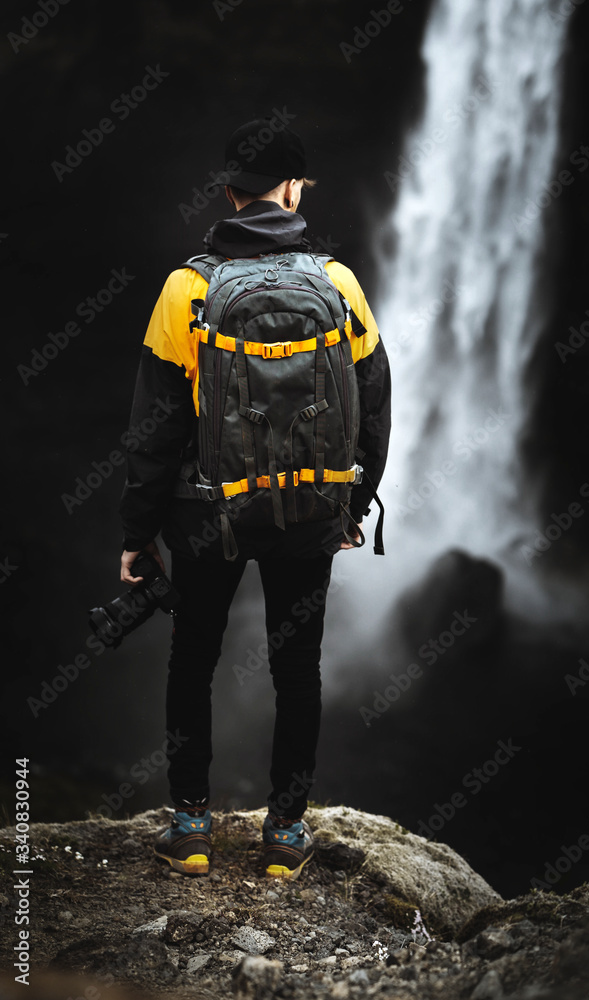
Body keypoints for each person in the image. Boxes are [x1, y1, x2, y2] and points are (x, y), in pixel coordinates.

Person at [118, 115, 391, 880]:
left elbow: (157, 424)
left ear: (230, 191)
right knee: (296, 666)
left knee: (192, 660)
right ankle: (285, 836)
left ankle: (191, 829)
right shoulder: (337, 284)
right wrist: (354, 502)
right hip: (310, 511)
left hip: (209, 515)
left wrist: (139, 533)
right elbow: (373, 401)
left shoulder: (188, 287)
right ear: (295, 187)